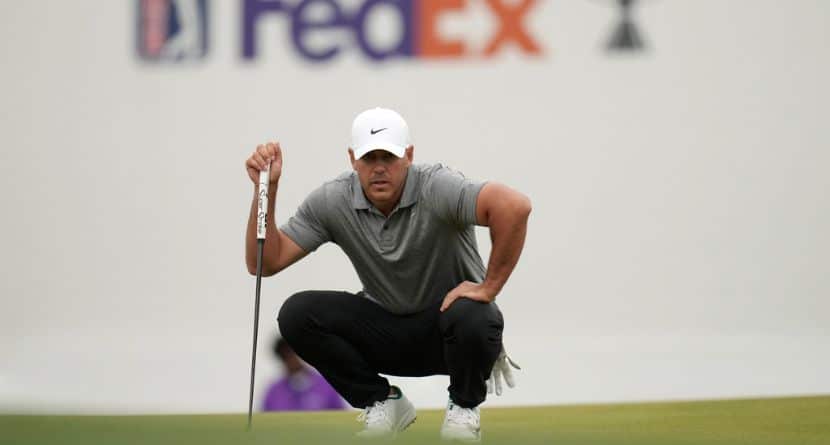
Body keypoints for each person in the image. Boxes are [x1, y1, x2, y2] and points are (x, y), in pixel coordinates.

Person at [244, 108, 530, 441]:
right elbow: (265, 262)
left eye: (389, 157)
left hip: (453, 337)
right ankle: (382, 401)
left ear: (409, 155)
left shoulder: (437, 186)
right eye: (369, 158)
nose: (379, 168)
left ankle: (464, 407)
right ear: (353, 159)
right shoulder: (334, 199)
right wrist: (267, 190)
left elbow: (514, 207)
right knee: (297, 314)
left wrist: (489, 287)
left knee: (474, 312)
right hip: (386, 334)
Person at [262, 336, 346, 412]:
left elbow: (341, 417)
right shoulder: (273, 392)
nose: (290, 359)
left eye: (292, 352)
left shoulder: (326, 385)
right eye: (284, 356)